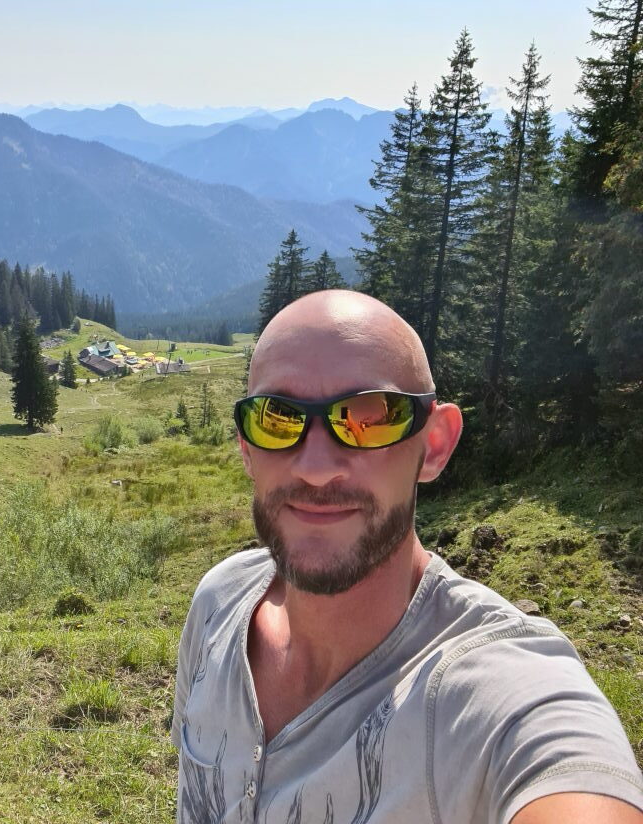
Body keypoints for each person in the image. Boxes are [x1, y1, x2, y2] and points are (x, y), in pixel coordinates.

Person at [172, 290, 643, 823]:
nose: (316, 468)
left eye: (369, 417)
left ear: (435, 445)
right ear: (246, 447)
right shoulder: (218, 603)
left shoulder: (493, 696)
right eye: (276, 418)